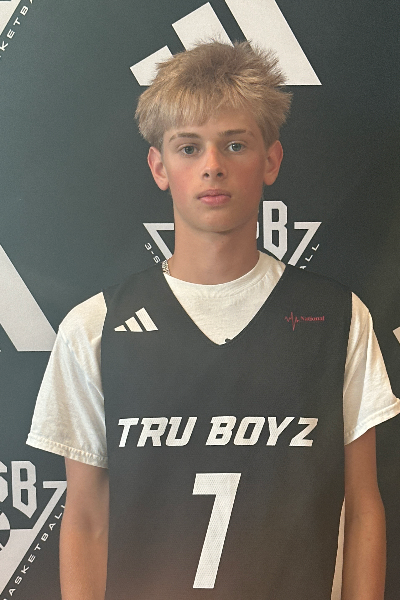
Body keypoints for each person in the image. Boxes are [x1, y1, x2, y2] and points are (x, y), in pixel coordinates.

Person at [27, 41, 399, 600]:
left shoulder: (338, 318)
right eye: (188, 147)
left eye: (235, 144)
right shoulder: (96, 327)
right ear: (159, 167)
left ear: (271, 160)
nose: (213, 166)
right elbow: (85, 517)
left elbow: (362, 505)